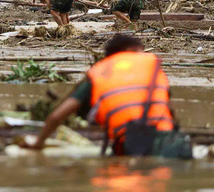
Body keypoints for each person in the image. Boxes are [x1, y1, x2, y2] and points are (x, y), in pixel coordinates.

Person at [23, 33, 190, 158]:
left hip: (133, 145)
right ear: (133, 50)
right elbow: (169, 111)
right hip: (174, 143)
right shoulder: (152, 67)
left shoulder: (101, 71)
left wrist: (38, 144)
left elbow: (56, 116)